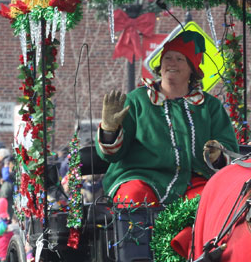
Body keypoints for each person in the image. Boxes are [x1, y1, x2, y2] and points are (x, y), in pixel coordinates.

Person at [95, 30, 238, 206]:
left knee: (208, 204)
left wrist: (217, 155)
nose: (172, 63)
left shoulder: (210, 106)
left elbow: (230, 151)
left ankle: (188, 235)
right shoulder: (137, 100)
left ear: (192, 69)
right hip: (140, 177)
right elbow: (111, 156)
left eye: (180, 59)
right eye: (168, 58)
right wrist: (109, 130)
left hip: (192, 182)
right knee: (134, 196)